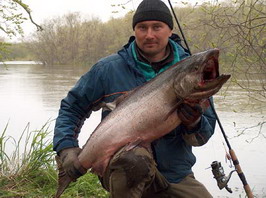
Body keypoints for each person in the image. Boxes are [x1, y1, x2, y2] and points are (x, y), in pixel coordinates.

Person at [53, 0, 216, 197]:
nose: (149, 35)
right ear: (134, 30)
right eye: (142, 27)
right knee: (134, 162)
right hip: (123, 168)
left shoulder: (190, 74)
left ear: (169, 30)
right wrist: (66, 147)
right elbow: (72, 107)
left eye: (157, 27)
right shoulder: (107, 69)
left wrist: (194, 122)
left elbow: (202, 138)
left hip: (176, 174)